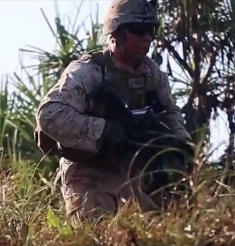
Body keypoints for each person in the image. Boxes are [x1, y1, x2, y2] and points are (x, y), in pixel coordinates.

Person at [34, 0, 191, 221]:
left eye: (151, 30)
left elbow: (171, 114)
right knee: (96, 239)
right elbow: (49, 114)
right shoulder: (89, 71)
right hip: (89, 173)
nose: (146, 37)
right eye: (138, 30)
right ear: (116, 32)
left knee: (162, 233)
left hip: (134, 172)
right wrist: (104, 131)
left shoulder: (152, 75)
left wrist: (182, 147)